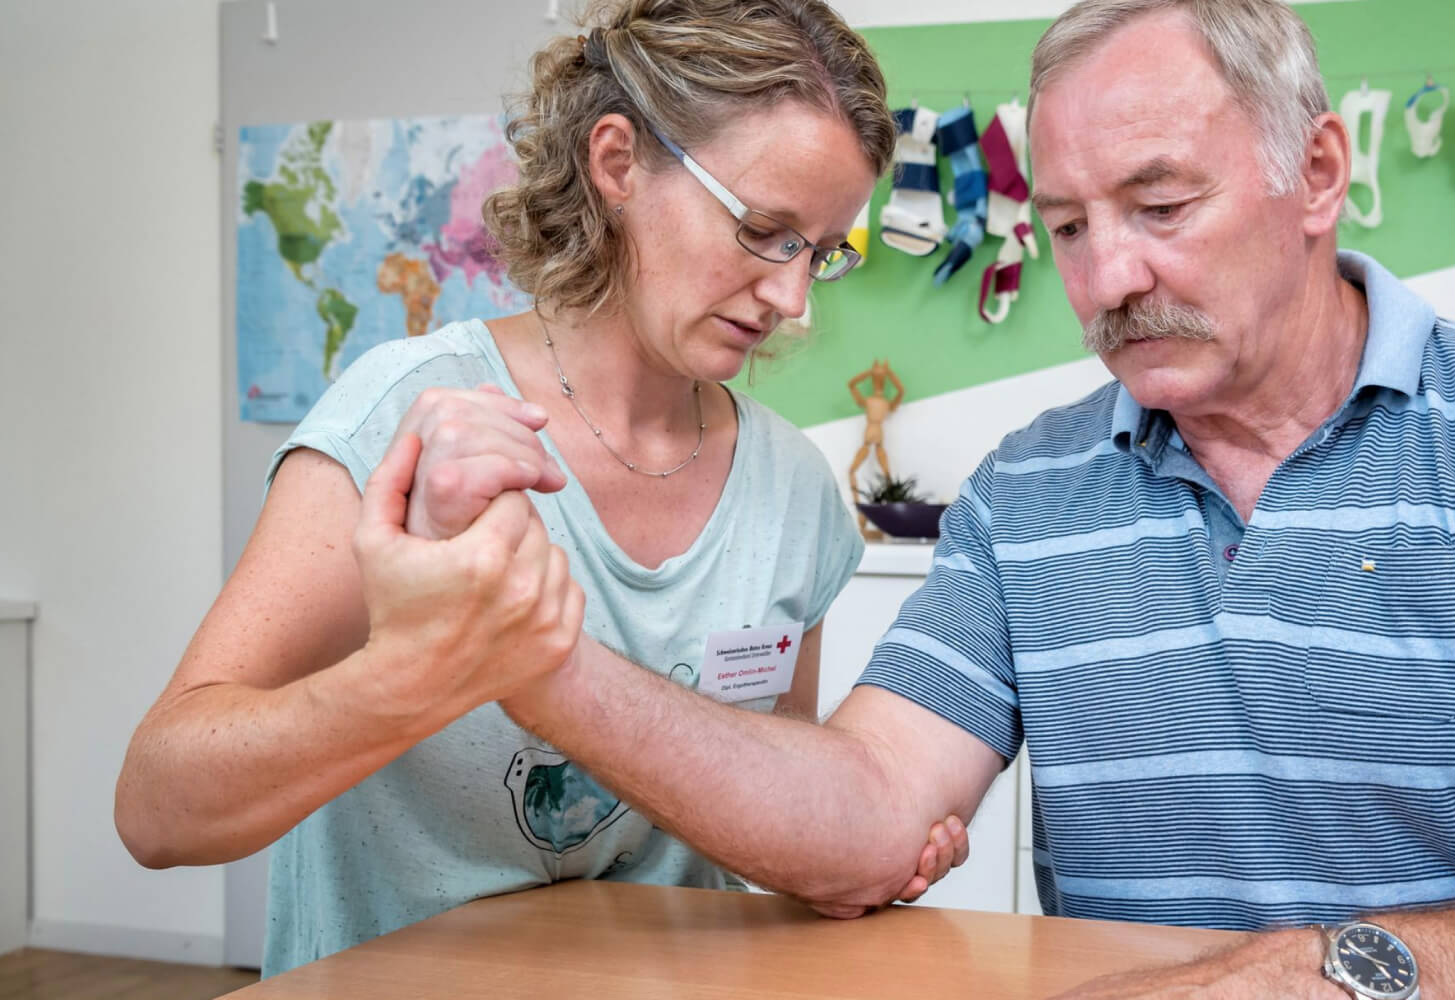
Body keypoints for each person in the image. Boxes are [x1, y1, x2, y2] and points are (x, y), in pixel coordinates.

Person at [390, 1, 1455, 997]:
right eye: (1069, 228)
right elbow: (864, 811)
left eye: (1160, 207)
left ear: (1316, 173)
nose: (1108, 278)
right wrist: (536, 661)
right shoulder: (1030, 495)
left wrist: (1323, 974)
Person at [113, 0, 968, 977]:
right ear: (618, 163)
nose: (793, 299)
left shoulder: (793, 493)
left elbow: (762, 816)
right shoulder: (405, 420)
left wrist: (837, 856)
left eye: (821, 252)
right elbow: (156, 809)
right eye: (764, 230)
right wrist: (411, 676)